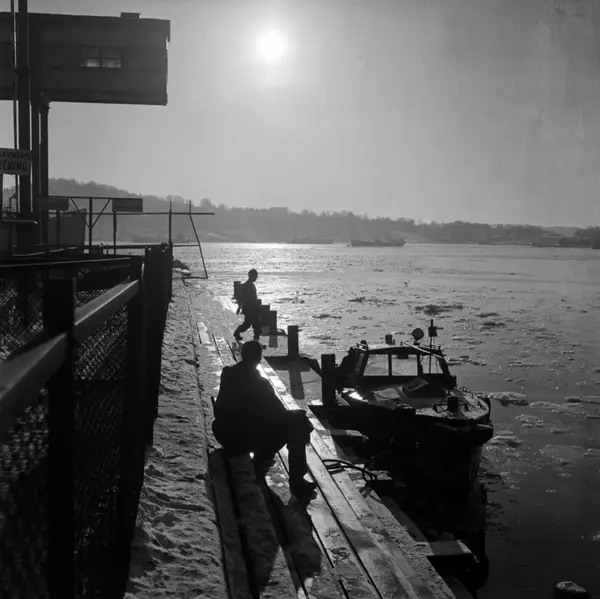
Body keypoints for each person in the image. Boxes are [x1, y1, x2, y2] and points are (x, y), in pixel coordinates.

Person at [212, 341, 317, 498]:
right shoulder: (260, 384)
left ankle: (267, 458)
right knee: (298, 425)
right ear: (259, 359)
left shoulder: (228, 373)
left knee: (276, 421)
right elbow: (280, 414)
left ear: (242, 355)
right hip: (242, 440)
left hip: (223, 433)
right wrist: (298, 415)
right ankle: (297, 481)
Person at [234, 268, 261, 341]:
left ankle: (256, 340)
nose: (256, 278)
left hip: (253, 308)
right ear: (251, 276)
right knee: (247, 325)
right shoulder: (247, 286)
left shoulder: (250, 285)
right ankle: (237, 333)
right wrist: (239, 307)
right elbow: (243, 298)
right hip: (249, 309)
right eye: (255, 276)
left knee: (256, 326)